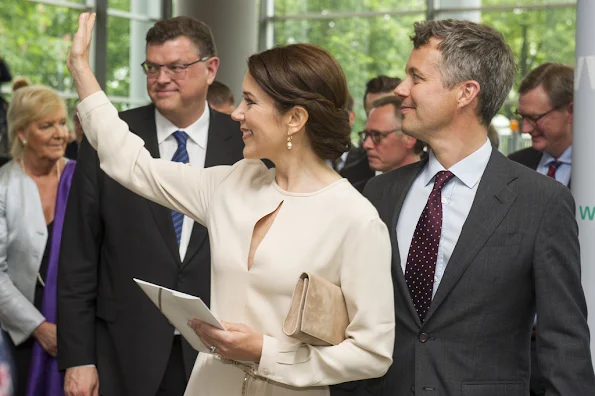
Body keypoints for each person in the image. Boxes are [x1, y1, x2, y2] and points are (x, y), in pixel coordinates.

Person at [67, 12, 394, 396]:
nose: (236, 112)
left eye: (250, 101)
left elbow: (372, 352)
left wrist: (266, 352)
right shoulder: (233, 182)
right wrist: (80, 70)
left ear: (295, 119)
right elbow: (132, 164)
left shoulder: (354, 218)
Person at [362, 19, 595, 396]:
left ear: (465, 93)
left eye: (416, 77)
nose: (402, 90)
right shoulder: (380, 193)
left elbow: (563, 346)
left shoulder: (541, 202)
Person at [57, 15, 244, 396]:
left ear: (211, 69)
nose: (161, 78)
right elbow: (79, 255)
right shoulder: (108, 139)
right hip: (124, 350)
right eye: (152, 67)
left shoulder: (245, 145)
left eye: (176, 67)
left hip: (220, 352)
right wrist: (79, 357)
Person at [0, 84, 75, 396]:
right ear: (21, 133)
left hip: (78, 331)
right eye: (46, 126)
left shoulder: (82, 179)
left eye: (62, 122)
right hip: (19, 332)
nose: (60, 133)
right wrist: (37, 327)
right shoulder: (4, 186)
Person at [508, 63, 573, 188]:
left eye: (534, 118)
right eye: (522, 117)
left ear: (570, 111)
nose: (526, 129)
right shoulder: (514, 165)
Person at [362, 95, 423, 173]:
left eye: (377, 135)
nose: (366, 145)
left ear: (409, 137)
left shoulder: (436, 182)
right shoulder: (363, 179)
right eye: (366, 134)